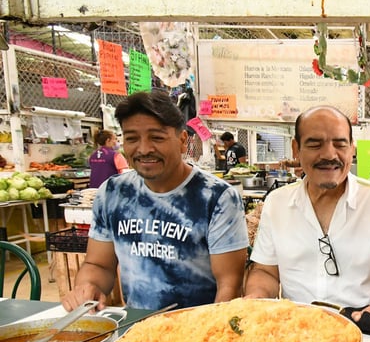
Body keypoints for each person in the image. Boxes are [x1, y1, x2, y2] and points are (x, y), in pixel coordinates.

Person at [62, 90, 249, 311]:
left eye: (157, 137)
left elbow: (229, 285)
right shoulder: (113, 192)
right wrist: (88, 286)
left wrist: (212, 334)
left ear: (182, 141)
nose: (144, 149)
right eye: (132, 138)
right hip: (136, 328)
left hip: (197, 329)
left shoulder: (216, 197)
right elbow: (98, 264)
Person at [245, 106, 370, 329]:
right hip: (295, 334)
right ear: (296, 148)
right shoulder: (277, 203)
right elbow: (265, 271)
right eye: (315, 144)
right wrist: (255, 299)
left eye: (340, 144)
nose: (329, 155)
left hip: (363, 331)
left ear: (352, 148)